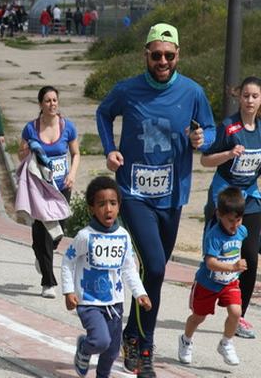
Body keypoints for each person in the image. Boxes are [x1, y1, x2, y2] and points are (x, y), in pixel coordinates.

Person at [96, 23, 215, 377]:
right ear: (145, 55)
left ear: (178, 56)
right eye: (156, 55)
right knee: (157, 266)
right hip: (133, 194)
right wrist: (110, 149)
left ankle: (132, 334)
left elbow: (208, 128)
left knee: (154, 273)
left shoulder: (192, 91)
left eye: (169, 55)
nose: (162, 60)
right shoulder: (128, 89)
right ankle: (145, 348)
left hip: (173, 194)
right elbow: (103, 113)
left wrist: (201, 140)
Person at [62, 176, 152, 378]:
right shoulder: (85, 236)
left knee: (112, 350)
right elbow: (68, 261)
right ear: (91, 209)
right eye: (101, 204)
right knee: (100, 341)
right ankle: (85, 347)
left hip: (115, 304)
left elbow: (129, 268)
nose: (108, 209)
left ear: (119, 206)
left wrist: (140, 293)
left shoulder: (123, 236)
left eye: (113, 203)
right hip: (89, 301)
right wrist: (68, 291)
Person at [199, 76, 261, 339]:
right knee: (218, 253)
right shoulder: (228, 127)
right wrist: (228, 154)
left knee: (249, 255)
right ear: (239, 97)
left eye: (254, 96)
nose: (249, 101)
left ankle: (240, 317)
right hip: (224, 197)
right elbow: (205, 160)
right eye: (245, 96)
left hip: (250, 196)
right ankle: (203, 295)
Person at [18, 86, 80, 298]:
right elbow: (20, 155)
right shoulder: (31, 129)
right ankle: (48, 282)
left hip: (62, 187)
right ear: (40, 104)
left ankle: (41, 254)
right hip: (40, 187)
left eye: (55, 100)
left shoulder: (68, 127)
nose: (52, 104)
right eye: (47, 100)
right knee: (43, 232)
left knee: (57, 232)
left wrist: (72, 174)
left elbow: (76, 153)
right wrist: (25, 150)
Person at [177, 187, 247, 367]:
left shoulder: (242, 231)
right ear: (219, 214)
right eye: (231, 220)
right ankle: (186, 340)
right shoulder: (214, 235)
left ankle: (226, 343)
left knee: (236, 312)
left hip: (229, 282)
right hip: (207, 283)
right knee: (198, 317)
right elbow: (210, 262)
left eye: (238, 219)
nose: (235, 224)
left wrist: (235, 269)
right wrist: (233, 266)